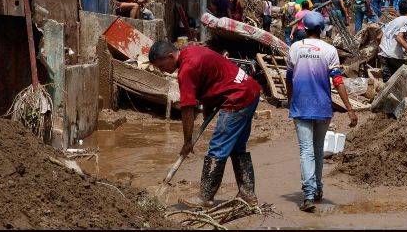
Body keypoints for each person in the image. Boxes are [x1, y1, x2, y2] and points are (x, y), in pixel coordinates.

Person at [149, 41, 261, 207]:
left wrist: (187, 142)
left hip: (237, 97)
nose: (161, 70)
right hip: (250, 91)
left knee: (217, 147)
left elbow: (187, 109)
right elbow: (209, 85)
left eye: (161, 65)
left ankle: (205, 196)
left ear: (171, 56)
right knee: (237, 147)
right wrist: (207, 114)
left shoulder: (187, 69)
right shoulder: (192, 52)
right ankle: (247, 194)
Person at [286, 12, 358, 212]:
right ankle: (317, 190)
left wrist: (290, 101)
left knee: (306, 151)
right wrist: (350, 109)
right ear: (321, 29)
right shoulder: (329, 50)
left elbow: (288, 78)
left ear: (304, 28)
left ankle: (309, 195)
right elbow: (337, 81)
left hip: (301, 105)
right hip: (322, 106)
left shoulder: (295, 48)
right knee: (317, 149)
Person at [378, 0, 407, 82]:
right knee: (397, 83)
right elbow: (399, 37)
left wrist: (380, 49)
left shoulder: (392, 21)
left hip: (383, 55)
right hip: (395, 56)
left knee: (387, 83)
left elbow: (378, 37)